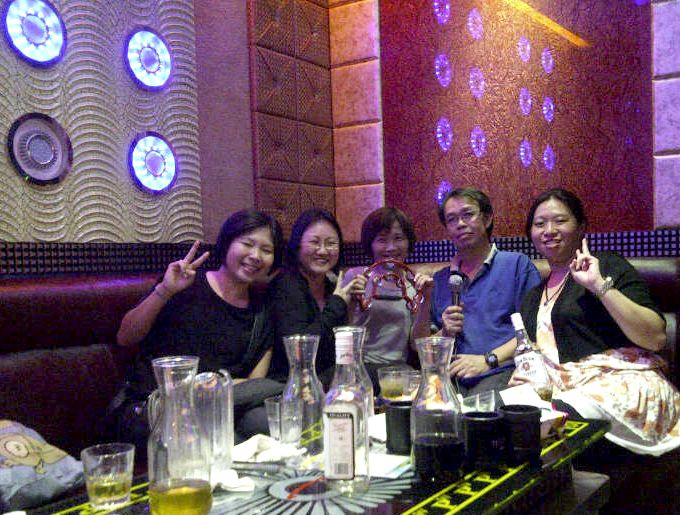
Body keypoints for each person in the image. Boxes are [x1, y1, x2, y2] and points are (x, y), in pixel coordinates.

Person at [515, 188, 680, 455]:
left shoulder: (607, 265)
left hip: (621, 382)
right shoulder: (533, 297)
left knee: (547, 420)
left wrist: (598, 285)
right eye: (540, 224)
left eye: (560, 221)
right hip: (564, 389)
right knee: (504, 415)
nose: (549, 230)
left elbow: (655, 338)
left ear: (581, 227)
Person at [112, 209, 285, 451]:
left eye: (266, 250)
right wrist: (165, 291)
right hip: (156, 407)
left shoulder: (261, 312)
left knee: (266, 421)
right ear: (227, 243)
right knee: (222, 439)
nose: (255, 255)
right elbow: (125, 337)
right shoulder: (185, 284)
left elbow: (254, 385)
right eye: (247, 244)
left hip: (220, 407)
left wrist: (214, 386)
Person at [430, 188, 541, 396]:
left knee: (478, 409)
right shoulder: (440, 280)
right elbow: (427, 347)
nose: (460, 224)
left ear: (487, 218)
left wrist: (487, 360)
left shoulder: (517, 265)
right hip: (451, 378)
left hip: (501, 371)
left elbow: (535, 331)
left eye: (467, 214)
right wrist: (445, 331)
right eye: (451, 219)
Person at [268, 208, 364, 385]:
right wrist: (337, 304)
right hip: (290, 384)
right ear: (297, 245)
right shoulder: (285, 285)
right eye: (314, 242)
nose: (323, 251)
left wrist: (350, 305)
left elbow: (339, 349)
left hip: (324, 379)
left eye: (331, 243)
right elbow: (301, 352)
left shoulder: (332, 286)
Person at [342, 207, 433, 386]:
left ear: (408, 242)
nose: (391, 247)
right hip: (359, 368)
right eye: (382, 240)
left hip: (398, 371)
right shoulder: (356, 277)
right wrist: (351, 302)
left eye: (398, 238)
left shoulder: (414, 284)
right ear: (370, 244)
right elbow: (342, 335)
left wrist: (426, 299)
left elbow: (418, 345)